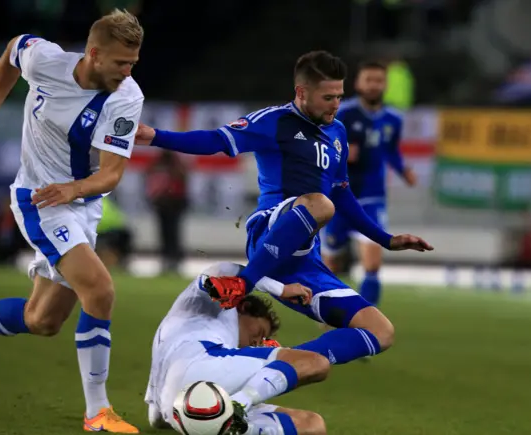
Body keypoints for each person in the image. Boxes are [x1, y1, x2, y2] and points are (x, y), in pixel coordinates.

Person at [134, 51, 433, 365]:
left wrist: (387, 240)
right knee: (319, 203)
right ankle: (242, 285)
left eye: (340, 96)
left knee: (380, 331)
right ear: (301, 92)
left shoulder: (338, 132)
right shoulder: (273, 121)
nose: (336, 104)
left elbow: (342, 194)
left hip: (305, 259)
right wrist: (155, 136)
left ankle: (274, 361)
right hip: (269, 231)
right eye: (328, 97)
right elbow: (214, 140)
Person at [0, 9, 144, 433]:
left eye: (133, 63)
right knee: (100, 291)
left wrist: (75, 189)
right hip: (39, 200)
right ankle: (97, 412)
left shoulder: (126, 97)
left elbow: (111, 174)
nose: (127, 72)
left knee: (42, 321)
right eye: (120, 63)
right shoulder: (45, 60)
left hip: (81, 203)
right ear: (92, 53)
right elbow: (11, 51)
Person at [145, 261, 350, 435]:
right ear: (243, 307)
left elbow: (157, 418)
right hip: (201, 363)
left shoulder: (174, 333)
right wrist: (281, 289)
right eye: (261, 332)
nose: (257, 343)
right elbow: (226, 269)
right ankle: (238, 406)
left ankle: (235, 425)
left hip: (183, 406)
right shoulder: (216, 304)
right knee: (315, 362)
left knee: (312, 425)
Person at [322, 61, 417, 307]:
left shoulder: (393, 119)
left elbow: (391, 151)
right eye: (369, 80)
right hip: (339, 198)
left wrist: (403, 170)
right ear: (358, 83)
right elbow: (323, 148)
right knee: (331, 261)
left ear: (385, 85)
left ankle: (367, 320)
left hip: (372, 197)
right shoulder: (343, 113)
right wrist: (341, 154)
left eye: (378, 81)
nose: (374, 85)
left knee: (372, 264)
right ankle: (329, 313)